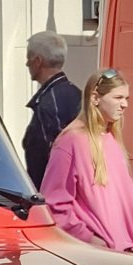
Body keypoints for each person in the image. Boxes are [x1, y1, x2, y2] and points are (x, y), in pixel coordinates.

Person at [38, 67, 133, 252]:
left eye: (126, 98)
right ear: (95, 98)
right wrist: (91, 240)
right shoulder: (71, 140)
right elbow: (54, 204)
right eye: (118, 98)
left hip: (128, 252)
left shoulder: (111, 138)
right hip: (101, 255)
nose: (125, 105)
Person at [21, 31, 82, 188]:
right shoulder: (78, 94)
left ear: (38, 61)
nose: (26, 64)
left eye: (29, 58)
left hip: (53, 195)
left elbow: (54, 156)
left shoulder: (48, 103)